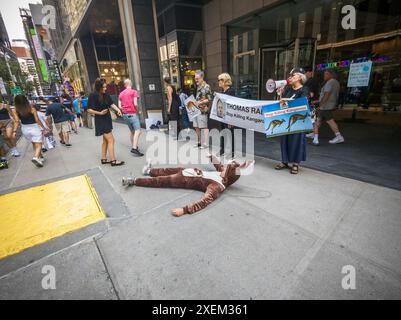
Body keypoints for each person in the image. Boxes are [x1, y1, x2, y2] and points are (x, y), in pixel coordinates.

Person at [122, 154, 255, 217]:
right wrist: (212, 157)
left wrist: (184, 210)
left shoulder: (217, 186)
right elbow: (218, 164)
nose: (223, 166)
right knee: (167, 170)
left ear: (228, 174)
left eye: (227, 167)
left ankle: (133, 180)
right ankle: (149, 171)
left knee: (162, 180)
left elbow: (205, 201)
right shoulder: (223, 173)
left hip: (184, 179)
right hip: (188, 171)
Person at [275, 68, 309, 175]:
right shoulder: (289, 90)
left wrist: (287, 101)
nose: (291, 77)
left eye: (293, 75)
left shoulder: (304, 89)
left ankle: (295, 163)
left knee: (296, 141)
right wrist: (280, 95)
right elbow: (282, 104)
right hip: (287, 118)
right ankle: (285, 161)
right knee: (284, 140)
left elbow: (301, 103)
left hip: (298, 119)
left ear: (300, 77)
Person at [88, 78, 125, 166]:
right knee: (111, 140)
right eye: (103, 87)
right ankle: (113, 161)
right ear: (98, 87)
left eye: (105, 87)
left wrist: (118, 110)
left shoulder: (105, 94)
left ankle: (103, 159)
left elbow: (111, 104)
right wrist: (99, 113)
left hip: (107, 119)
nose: (105, 88)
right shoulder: (93, 95)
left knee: (105, 141)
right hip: (100, 120)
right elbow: (89, 109)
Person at [13, 95, 50, 167]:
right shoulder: (32, 109)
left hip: (25, 129)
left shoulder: (15, 110)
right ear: (26, 100)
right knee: (39, 144)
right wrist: (44, 128)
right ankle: (36, 157)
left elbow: (17, 121)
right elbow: (37, 120)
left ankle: (40, 157)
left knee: (34, 142)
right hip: (34, 128)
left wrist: (14, 131)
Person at [310, 70, 345, 146]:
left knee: (328, 121)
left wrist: (320, 105)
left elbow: (327, 94)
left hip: (325, 106)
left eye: (326, 74)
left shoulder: (330, 82)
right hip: (328, 105)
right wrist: (317, 101)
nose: (324, 76)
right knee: (318, 120)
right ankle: (314, 133)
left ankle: (339, 136)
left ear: (331, 74)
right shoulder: (336, 82)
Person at [118, 79, 143, 157]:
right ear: (131, 84)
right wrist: (138, 110)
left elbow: (119, 106)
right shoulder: (134, 92)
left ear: (125, 85)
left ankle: (134, 146)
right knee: (138, 131)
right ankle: (134, 148)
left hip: (125, 115)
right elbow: (135, 104)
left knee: (132, 132)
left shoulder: (121, 94)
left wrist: (125, 109)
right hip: (132, 114)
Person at [217, 73, 236, 158]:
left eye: (220, 80)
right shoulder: (222, 91)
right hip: (222, 115)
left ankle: (232, 153)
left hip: (229, 116)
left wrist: (231, 119)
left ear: (224, 81)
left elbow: (232, 106)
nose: (218, 82)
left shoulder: (231, 91)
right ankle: (222, 150)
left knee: (230, 134)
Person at [193, 70, 212, 149]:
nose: (196, 80)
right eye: (195, 78)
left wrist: (200, 103)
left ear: (202, 77)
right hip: (196, 109)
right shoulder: (198, 86)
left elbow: (209, 99)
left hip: (203, 110)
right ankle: (199, 142)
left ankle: (206, 143)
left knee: (204, 127)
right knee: (196, 126)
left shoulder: (206, 86)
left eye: (197, 78)